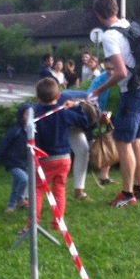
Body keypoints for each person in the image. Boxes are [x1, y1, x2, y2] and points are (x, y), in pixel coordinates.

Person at [89, 0, 140, 207]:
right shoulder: (128, 25)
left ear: (98, 15)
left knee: (123, 141)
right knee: (136, 139)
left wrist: (98, 91)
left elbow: (118, 72)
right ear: (116, 9)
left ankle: (127, 195)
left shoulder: (110, 36)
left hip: (133, 91)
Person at [32, 78, 91, 230]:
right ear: (58, 96)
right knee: (59, 189)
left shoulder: (36, 115)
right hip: (64, 159)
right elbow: (84, 121)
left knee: (38, 189)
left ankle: (33, 222)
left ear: (38, 99)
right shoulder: (64, 113)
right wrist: (76, 106)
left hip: (44, 159)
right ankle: (57, 223)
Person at [0, 106, 29, 213]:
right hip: (12, 163)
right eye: (26, 114)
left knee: (15, 185)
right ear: (21, 116)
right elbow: (3, 145)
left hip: (24, 164)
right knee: (24, 180)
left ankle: (10, 206)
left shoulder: (32, 131)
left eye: (31, 115)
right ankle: (20, 200)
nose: (29, 117)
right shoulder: (15, 131)